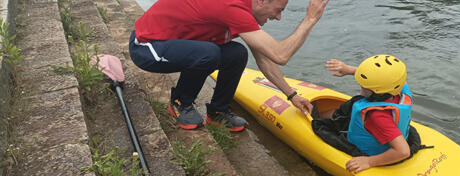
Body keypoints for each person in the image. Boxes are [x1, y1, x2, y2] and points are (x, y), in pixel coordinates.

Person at [129, 0, 327, 131]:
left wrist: (291, 95)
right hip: (147, 46)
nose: (278, 17)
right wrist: (310, 19)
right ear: (260, 1)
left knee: (237, 53)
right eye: (278, 10)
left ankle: (218, 112)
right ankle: (181, 103)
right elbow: (280, 55)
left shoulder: (243, 10)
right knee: (209, 53)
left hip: (177, 45)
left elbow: (266, 59)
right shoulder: (230, 7)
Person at [322, 55, 413, 173]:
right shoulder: (400, 89)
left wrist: (369, 161)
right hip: (386, 132)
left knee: (322, 122)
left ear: (377, 93)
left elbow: (403, 151)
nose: (361, 90)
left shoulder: (376, 116)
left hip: (371, 150)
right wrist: (349, 70)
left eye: (364, 88)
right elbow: (384, 77)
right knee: (351, 106)